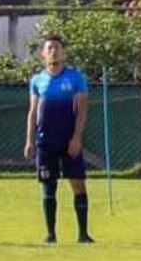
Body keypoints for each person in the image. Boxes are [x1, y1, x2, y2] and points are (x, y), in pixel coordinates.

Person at [25, 34, 93, 245]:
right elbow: (33, 111)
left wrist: (76, 138)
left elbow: (82, 110)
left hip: (69, 141)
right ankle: (51, 234)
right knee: (48, 186)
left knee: (78, 185)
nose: (54, 51)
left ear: (64, 53)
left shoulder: (75, 78)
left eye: (57, 47)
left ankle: (83, 234)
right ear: (43, 54)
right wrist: (29, 140)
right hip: (46, 142)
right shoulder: (37, 80)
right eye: (49, 48)